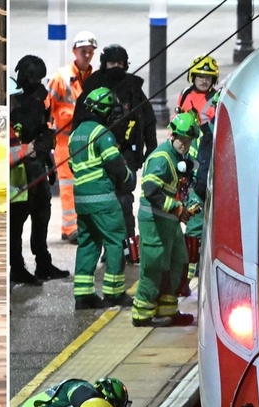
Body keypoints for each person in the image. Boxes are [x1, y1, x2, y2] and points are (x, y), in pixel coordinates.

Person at [80, 44, 158, 250]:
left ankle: (128, 247)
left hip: (126, 154)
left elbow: (148, 120)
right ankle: (107, 247)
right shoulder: (93, 85)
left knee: (124, 201)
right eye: (111, 63)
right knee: (103, 205)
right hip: (97, 156)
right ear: (104, 64)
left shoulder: (133, 87)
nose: (116, 67)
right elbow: (80, 121)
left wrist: (151, 152)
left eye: (119, 64)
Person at [69, 87, 135, 309]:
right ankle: (114, 293)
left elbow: (72, 165)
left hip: (81, 199)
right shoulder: (102, 133)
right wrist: (128, 177)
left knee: (88, 243)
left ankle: (84, 296)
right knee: (116, 241)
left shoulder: (75, 134)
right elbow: (114, 164)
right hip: (102, 198)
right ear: (105, 111)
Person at [131, 112, 199, 327]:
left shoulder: (179, 158)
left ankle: (168, 310)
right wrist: (177, 208)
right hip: (154, 222)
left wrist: (183, 210)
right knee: (154, 266)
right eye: (182, 140)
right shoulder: (162, 158)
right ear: (173, 136)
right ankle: (142, 314)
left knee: (177, 262)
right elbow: (151, 191)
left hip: (168, 221)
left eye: (188, 142)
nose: (185, 146)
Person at [11, 57, 70, 286]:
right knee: (17, 222)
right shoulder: (15, 104)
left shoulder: (42, 99)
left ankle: (43, 262)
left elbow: (44, 129)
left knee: (42, 214)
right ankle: (17, 267)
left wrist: (49, 157)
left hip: (39, 167)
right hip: (21, 171)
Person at [47, 31, 99, 244]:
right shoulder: (61, 78)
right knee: (68, 185)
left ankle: (79, 225)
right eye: (83, 51)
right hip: (64, 141)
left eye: (90, 52)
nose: (86, 55)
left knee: (83, 183)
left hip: (85, 141)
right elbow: (47, 107)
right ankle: (70, 227)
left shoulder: (93, 78)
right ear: (74, 51)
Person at [174, 55, 220, 298]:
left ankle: (191, 278)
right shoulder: (184, 95)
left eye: (208, 76)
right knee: (192, 227)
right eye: (200, 76)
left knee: (198, 228)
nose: (203, 80)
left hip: (205, 170)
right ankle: (187, 278)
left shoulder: (217, 98)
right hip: (188, 169)